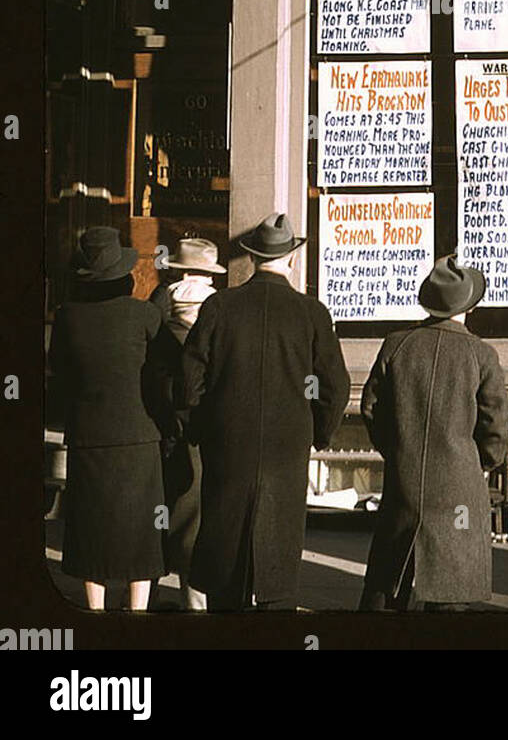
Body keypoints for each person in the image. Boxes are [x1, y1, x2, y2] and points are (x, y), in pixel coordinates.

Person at [180, 212, 350, 611]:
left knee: (224, 535)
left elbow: (189, 383)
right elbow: (336, 387)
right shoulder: (312, 313)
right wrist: (318, 432)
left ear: (252, 258)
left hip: (227, 440)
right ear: (290, 258)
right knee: (280, 537)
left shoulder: (220, 306)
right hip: (288, 443)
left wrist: (202, 427)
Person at [359, 255, 508, 612]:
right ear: (469, 307)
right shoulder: (482, 354)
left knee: (388, 582)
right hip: (459, 486)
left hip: (404, 480)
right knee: (450, 592)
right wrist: (481, 463)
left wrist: (398, 448)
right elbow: (496, 426)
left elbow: (371, 409)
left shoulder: (396, 344)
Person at [48, 226, 178, 611]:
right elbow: (170, 368)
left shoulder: (67, 318)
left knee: (92, 526)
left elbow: (59, 376)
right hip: (140, 434)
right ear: (123, 276)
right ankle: (137, 608)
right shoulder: (144, 315)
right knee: (142, 529)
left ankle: (95, 607)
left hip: (89, 436)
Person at [149, 236, 225, 611]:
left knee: (164, 516)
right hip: (199, 435)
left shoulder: (160, 307)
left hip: (162, 433)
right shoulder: (214, 310)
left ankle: (147, 593)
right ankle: (193, 599)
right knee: (192, 521)